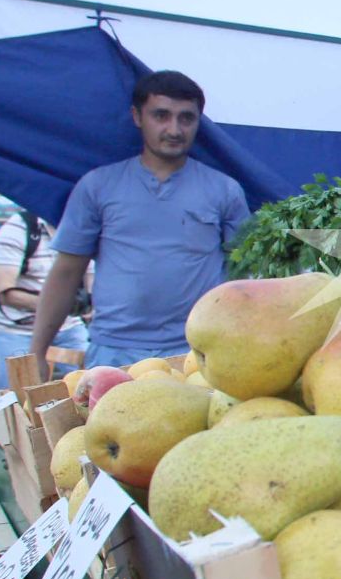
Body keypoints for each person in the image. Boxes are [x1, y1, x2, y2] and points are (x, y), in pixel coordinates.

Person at [30, 71, 250, 374]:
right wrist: (36, 353)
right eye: (161, 115)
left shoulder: (225, 190)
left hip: (199, 350)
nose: (174, 129)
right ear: (137, 116)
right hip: (115, 352)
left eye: (186, 118)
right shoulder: (97, 186)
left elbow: (248, 276)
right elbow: (67, 273)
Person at [0, 210, 90, 388]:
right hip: (19, 329)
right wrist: (59, 306)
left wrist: (91, 306)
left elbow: (91, 280)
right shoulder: (18, 228)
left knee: (92, 381)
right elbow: (6, 293)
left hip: (70, 325)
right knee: (19, 393)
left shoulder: (82, 227)